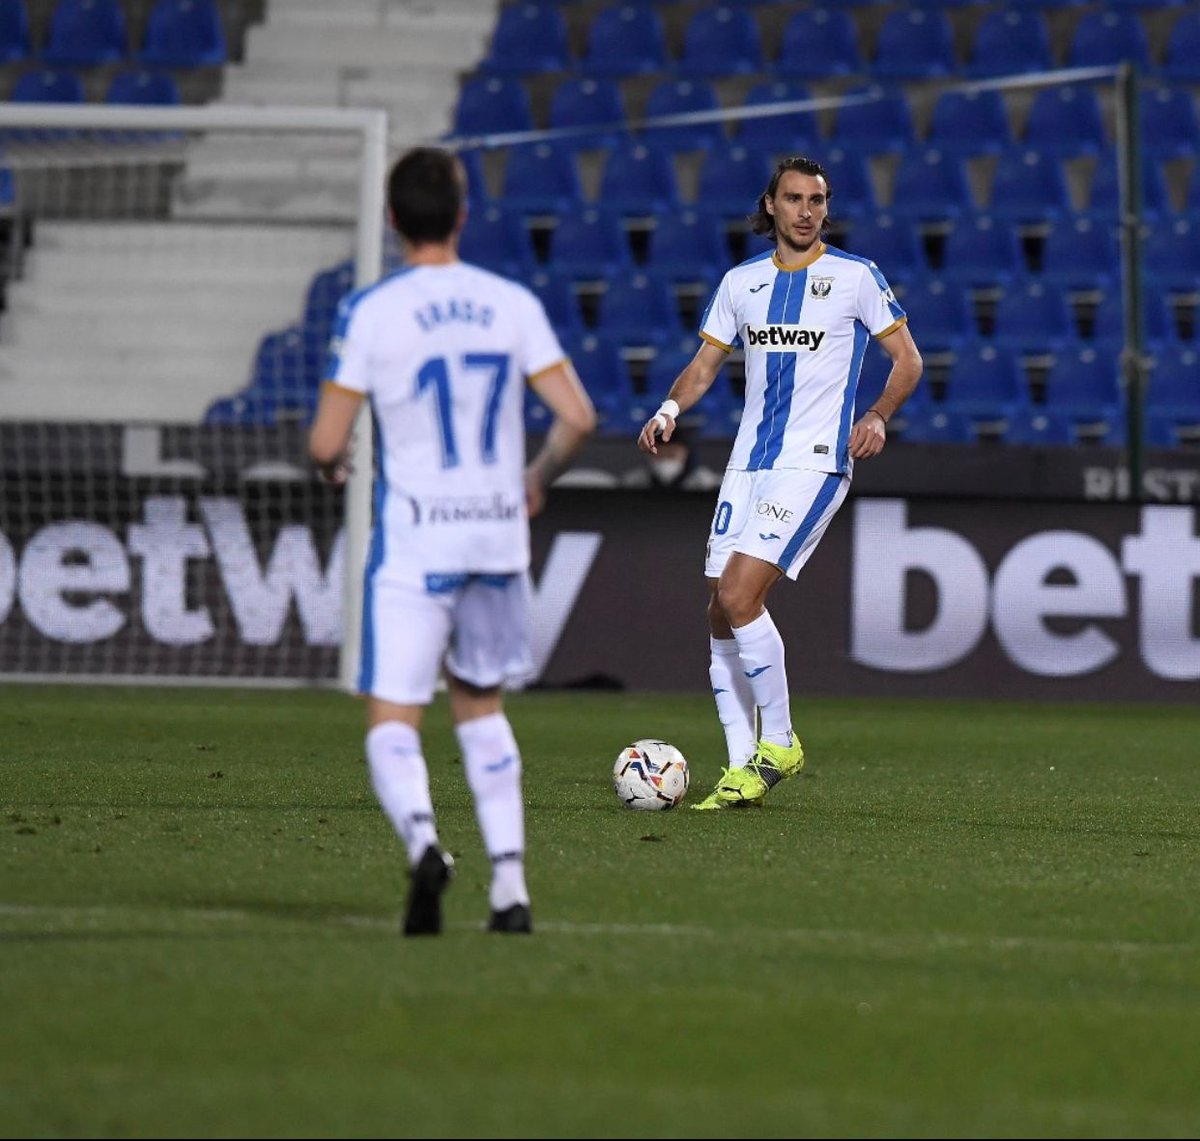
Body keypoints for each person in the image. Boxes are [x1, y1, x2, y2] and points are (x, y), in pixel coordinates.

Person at [309, 146, 597, 934]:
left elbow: (326, 441)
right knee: (482, 705)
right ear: (462, 215)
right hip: (496, 536)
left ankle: (426, 841)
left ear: (393, 218)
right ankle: (510, 888)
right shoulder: (509, 303)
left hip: (417, 542)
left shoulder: (371, 311)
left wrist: (333, 464)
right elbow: (577, 416)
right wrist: (534, 477)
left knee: (395, 716)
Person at [636, 154, 922, 811]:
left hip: (815, 460)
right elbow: (706, 363)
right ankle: (741, 763)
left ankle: (781, 742)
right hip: (749, 461)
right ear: (770, 205)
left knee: (740, 594)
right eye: (793, 198)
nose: (805, 211)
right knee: (718, 605)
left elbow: (907, 360)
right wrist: (670, 409)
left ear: (826, 207)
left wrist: (877, 415)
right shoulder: (741, 284)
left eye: (816, 200)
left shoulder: (854, 277)